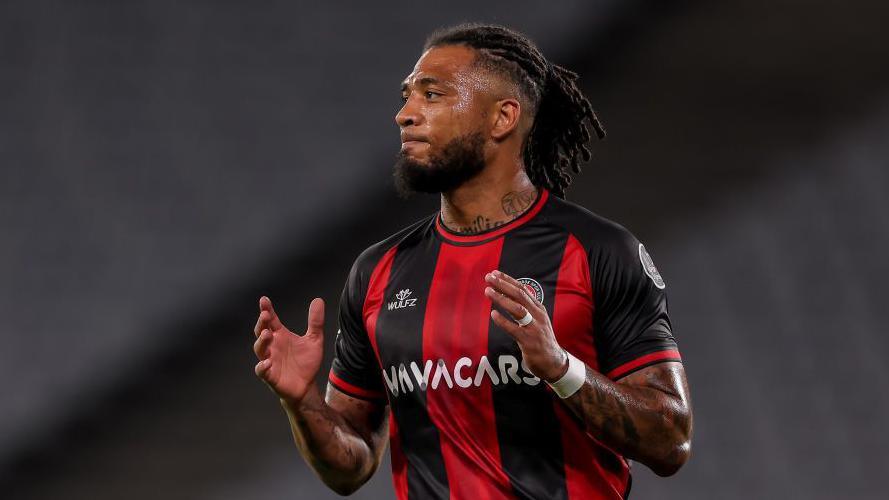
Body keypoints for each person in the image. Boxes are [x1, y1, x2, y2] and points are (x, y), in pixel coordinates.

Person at [252, 23, 692, 500]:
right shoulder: (378, 271)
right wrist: (302, 402)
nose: (405, 114)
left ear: (502, 118)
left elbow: (671, 441)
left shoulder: (598, 252)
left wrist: (561, 369)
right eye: (407, 97)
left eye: (432, 95)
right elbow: (350, 467)